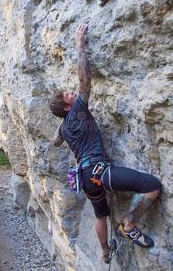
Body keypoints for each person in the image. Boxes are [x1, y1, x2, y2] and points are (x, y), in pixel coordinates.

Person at [49, 24, 162, 264]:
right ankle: (128, 227)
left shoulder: (64, 127)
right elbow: (84, 80)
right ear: (69, 107)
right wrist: (80, 44)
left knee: (101, 215)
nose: (70, 92)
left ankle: (105, 252)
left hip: (86, 176)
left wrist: (61, 125)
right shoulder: (78, 110)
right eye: (67, 96)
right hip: (99, 171)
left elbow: (55, 142)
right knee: (151, 185)